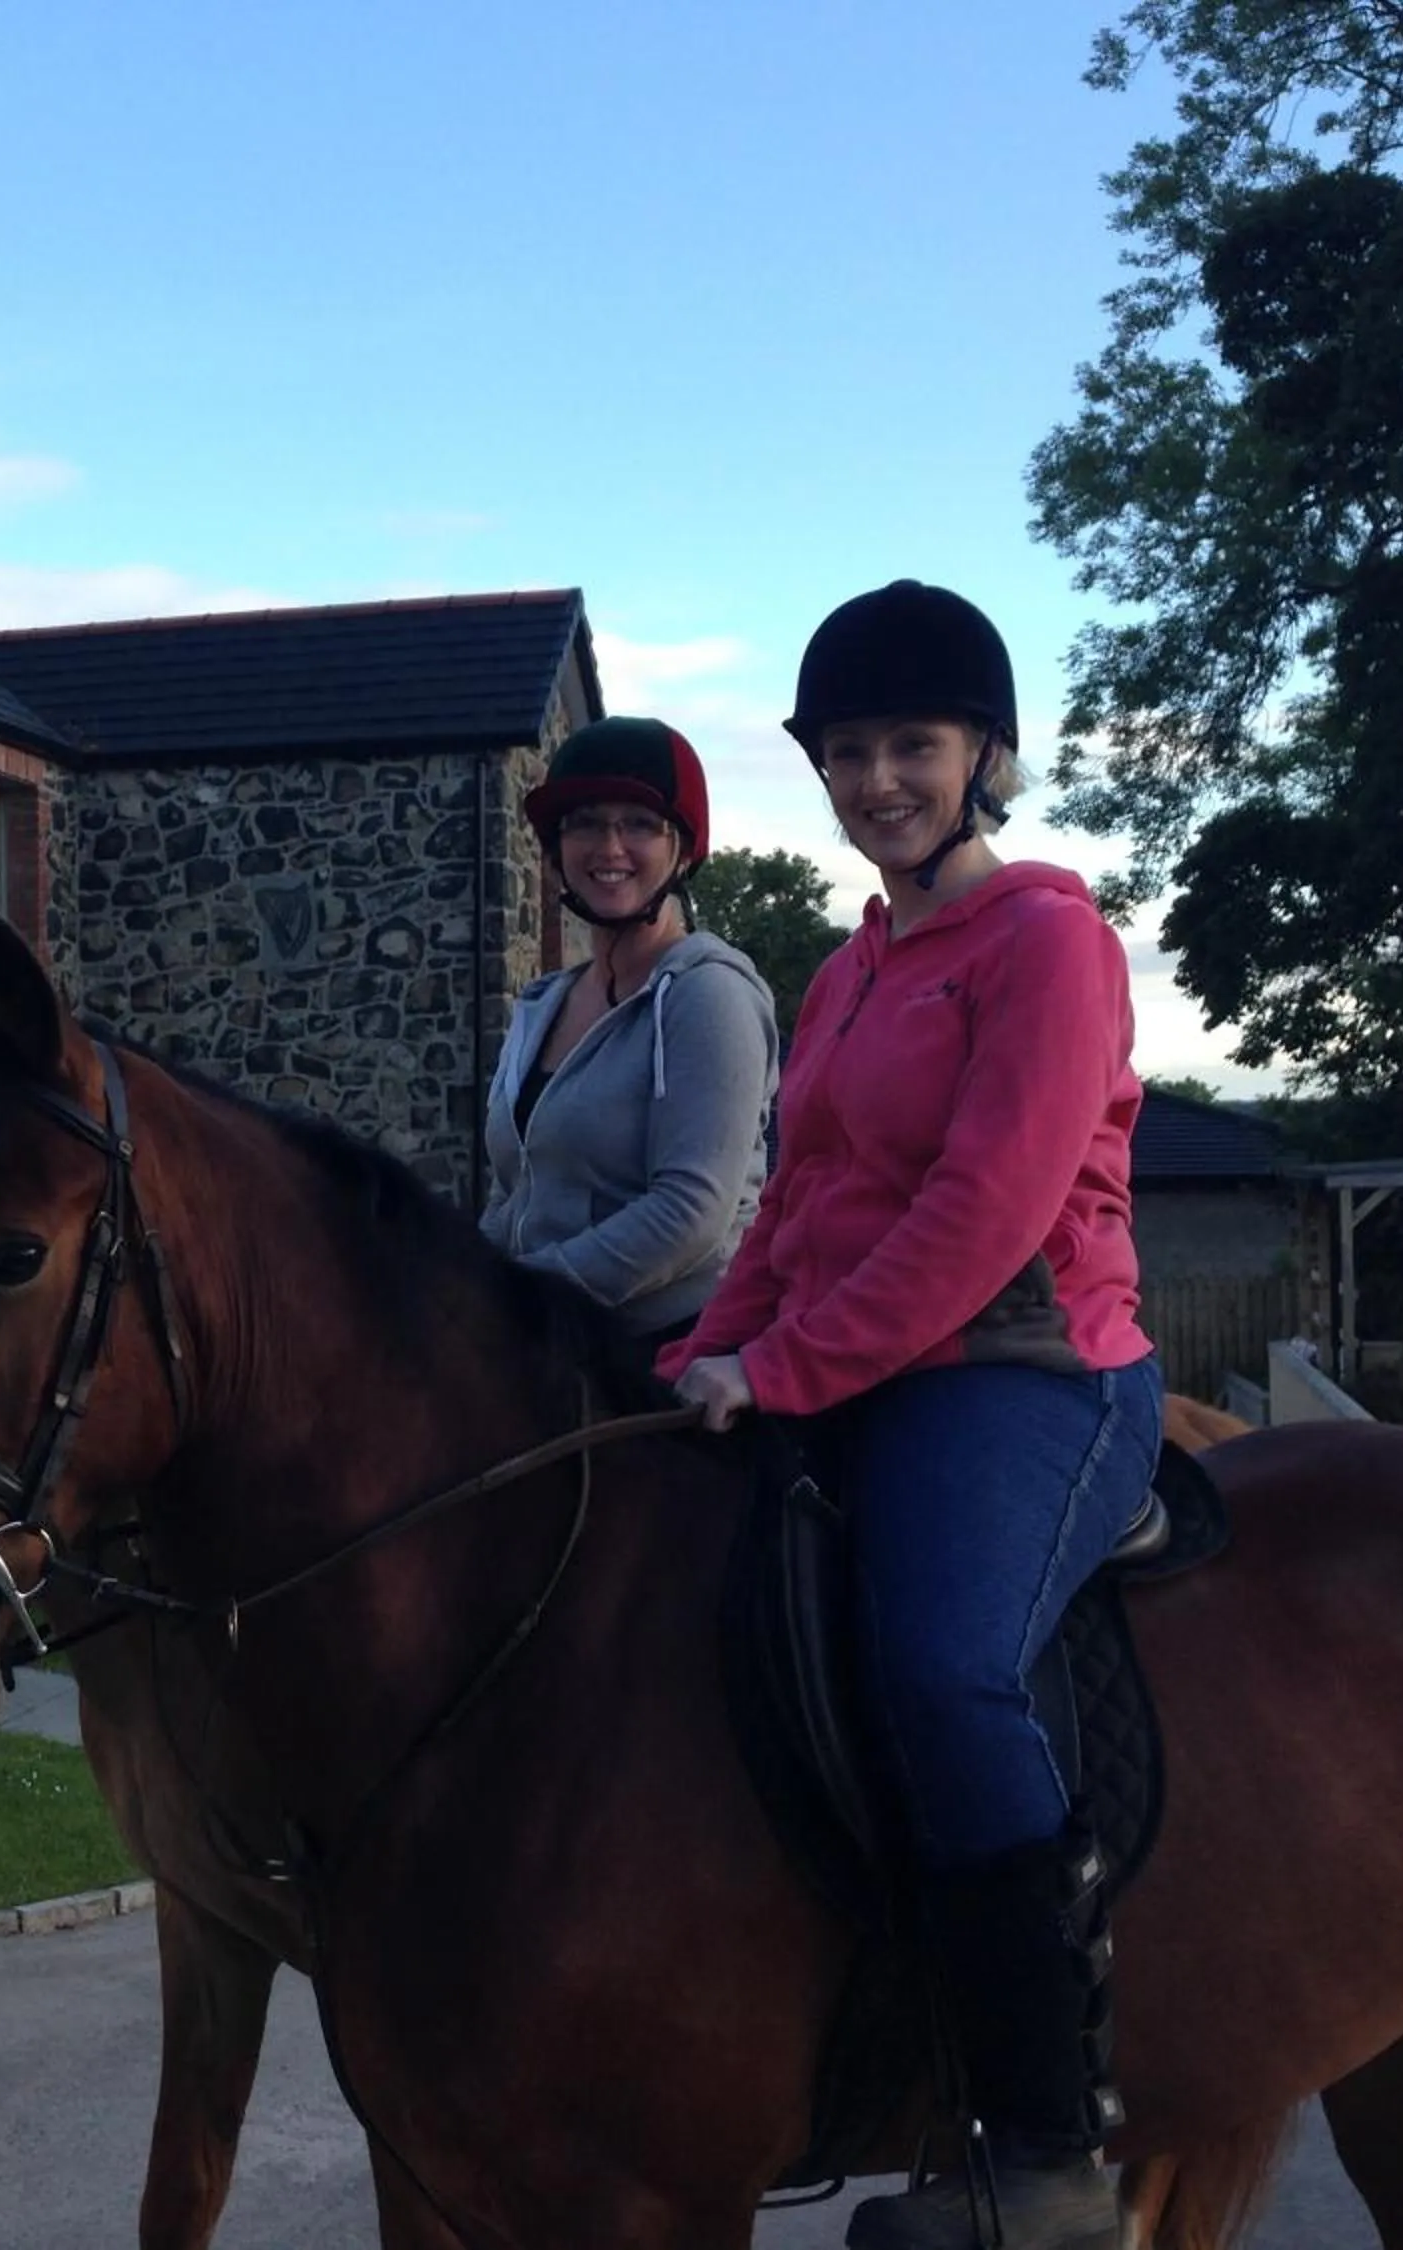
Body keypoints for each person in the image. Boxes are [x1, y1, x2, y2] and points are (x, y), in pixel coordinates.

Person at [660, 583, 1160, 2250]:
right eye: (851, 751)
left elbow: (984, 1216)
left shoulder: (1050, 944)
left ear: (984, 758)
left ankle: (1049, 2149)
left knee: (942, 1660)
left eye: (914, 747)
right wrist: (689, 1371)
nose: (879, 779)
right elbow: (789, 1215)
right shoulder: (848, 972)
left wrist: (783, 1372)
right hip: (854, 1354)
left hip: (1029, 1372)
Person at [479, 715, 778, 1375]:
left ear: (683, 848)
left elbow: (691, 1212)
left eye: (639, 823)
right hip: (549, 1334)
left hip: (670, 1348)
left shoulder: (710, 996)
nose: (608, 847)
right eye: (584, 822)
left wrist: (518, 1299)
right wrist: (458, 1285)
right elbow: (514, 1190)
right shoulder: (545, 1004)